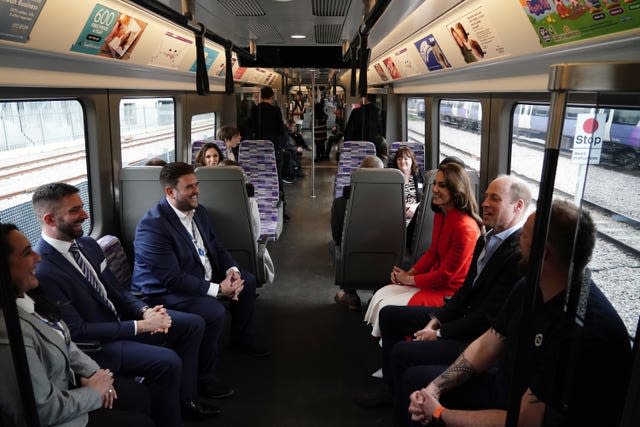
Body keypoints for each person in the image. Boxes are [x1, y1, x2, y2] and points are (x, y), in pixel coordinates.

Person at [404, 201, 632, 427]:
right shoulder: (529, 287)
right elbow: (488, 344)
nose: (518, 241)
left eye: (525, 235)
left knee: (423, 408)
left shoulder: (581, 331)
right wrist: (435, 388)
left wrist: (440, 413)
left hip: (525, 413)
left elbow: (524, 420)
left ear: (544, 254)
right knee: (418, 383)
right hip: (507, 386)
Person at [31, 183, 221, 427]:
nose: (86, 215)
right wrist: (139, 326)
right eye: (75, 210)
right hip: (99, 345)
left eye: (84, 208)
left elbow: (116, 290)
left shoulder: (88, 245)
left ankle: (186, 399)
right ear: (49, 218)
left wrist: (144, 310)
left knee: (192, 325)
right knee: (168, 361)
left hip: (121, 322)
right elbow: (78, 331)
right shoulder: (44, 270)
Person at [355, 175, 532, 410]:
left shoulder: (517, 256)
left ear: (517, 207)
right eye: (486, 195)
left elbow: (487, 318)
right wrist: (436, 320)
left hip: (476, 336)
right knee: (389, 315)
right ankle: (392, 390)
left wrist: (439, 333)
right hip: (463, 315)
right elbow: (465, 292)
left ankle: (402, 403)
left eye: (495, 198)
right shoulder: (486, 239)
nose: (485, 202)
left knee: (401, 353)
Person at [0, 223, 154, 427]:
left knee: (138, 395)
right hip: (59, 414)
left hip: (73, 380)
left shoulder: (29, 298)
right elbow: (42, 410)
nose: (37, 257)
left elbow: (65, 341)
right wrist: (93, 392)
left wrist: (92, 374)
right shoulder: (8, 331)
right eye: (27, 253)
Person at [132, 163, 269, 366]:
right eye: (189, 187)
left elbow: (216, 246)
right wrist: (219, 290)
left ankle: (242, 339)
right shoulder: (153, 227)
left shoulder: (199, 212)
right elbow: (172, 278)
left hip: (197, 276)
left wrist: (233, 271)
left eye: (196, 185)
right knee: (213, 311)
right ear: (170, 191)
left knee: (247, 281)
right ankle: (205, 374)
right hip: (165, 292)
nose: (196, 191)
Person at [363, 163, 482, 337]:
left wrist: (410, 280)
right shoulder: (442, 214)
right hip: (435, 282)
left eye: (442, 185)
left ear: (457, 190)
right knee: (382, 294)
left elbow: (446, 276)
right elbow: (433, 252)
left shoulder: (465, 228)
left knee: (387, 307)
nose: (435, 189)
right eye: (435, 183)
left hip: (449, 291)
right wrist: (406, 275)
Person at [332, 156, 385, 311]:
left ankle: (350, 293)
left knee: (333, 246)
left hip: (353, 258)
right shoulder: (395, 201)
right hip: (386, 260)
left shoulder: (341, 203)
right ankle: (379, 293)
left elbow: (337, 236)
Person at [391, 147, 425, 223]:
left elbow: (426, 198)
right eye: (399, 159)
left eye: (406, 159)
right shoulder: (392, 177)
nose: (402, 161)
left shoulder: (420, 175)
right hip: (397, 217)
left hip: (417, 216)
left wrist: (416, 207)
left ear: (412, 161)